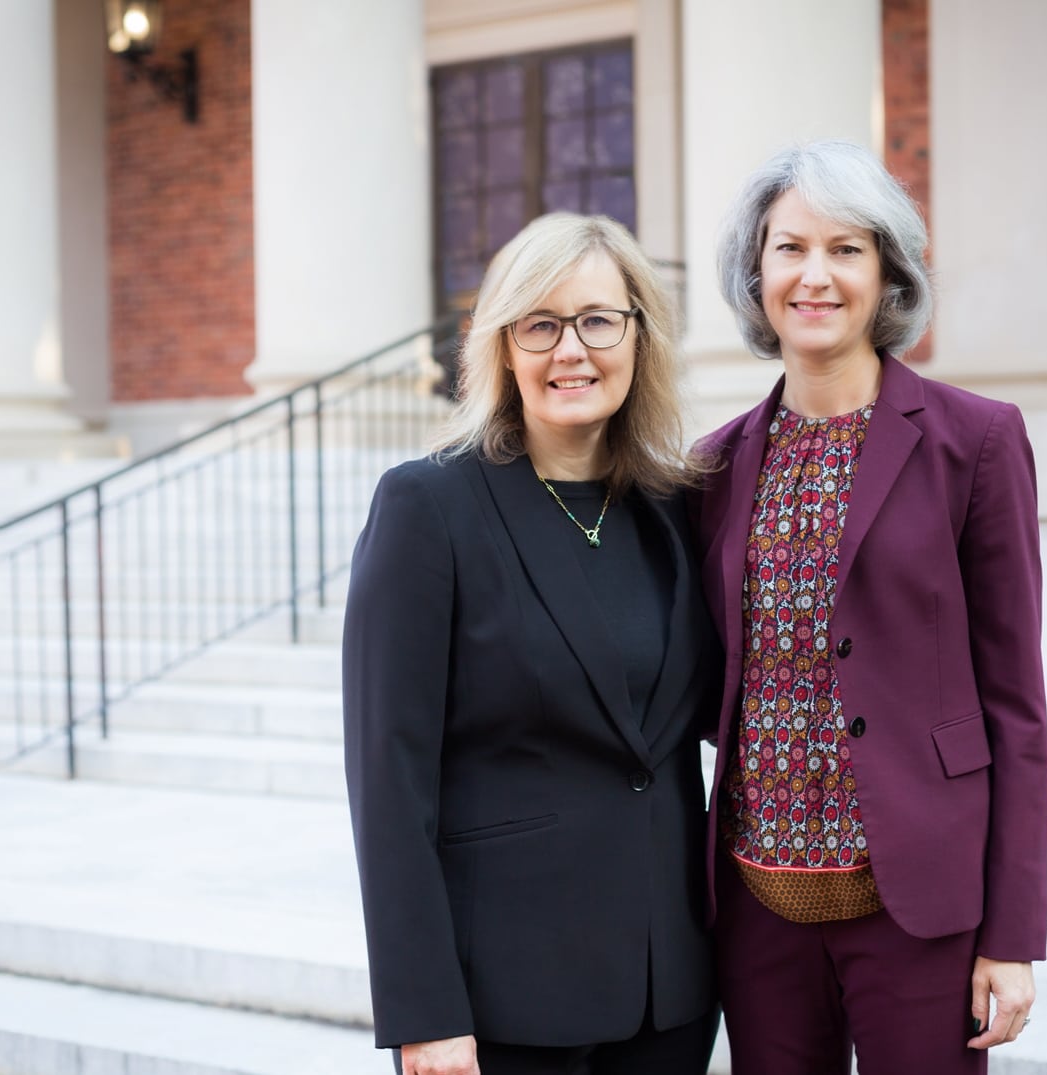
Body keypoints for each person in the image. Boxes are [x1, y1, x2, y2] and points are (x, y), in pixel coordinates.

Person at [691, 139, 1047, 1074]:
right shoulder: (713, 466)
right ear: (755, 273)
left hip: (920, 905)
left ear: (887, 273)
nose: (816, 276)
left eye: (847, 249)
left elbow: (1014, 706)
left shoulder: (975, 440)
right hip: (756, 904)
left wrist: (1010, 934)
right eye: (789, 249)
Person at [343, 212, 722, 1075]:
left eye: (597, 319)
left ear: (637, 335)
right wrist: (423, 1009)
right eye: (539, 324)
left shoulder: (673, 508)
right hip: (503, 1002)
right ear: (504, 348)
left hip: (668, 992)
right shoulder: (427, 507)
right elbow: (387, 779)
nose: (570, 350)